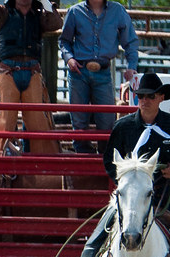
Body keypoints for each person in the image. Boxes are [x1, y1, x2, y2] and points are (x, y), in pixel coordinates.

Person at [64, 72, 170, 257]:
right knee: (92, 246)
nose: (144, 101)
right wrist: (126, 183)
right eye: (141, 96)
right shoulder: (123, 128)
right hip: (128, 200)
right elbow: (109, 161)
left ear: (161, 98)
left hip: (167, 197)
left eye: (150, 96)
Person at [0, 0, 63, 155]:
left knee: (38, 122)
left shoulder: (39, 15)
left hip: (31, 71)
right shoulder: (3, 12)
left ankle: (44, 161)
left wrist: (46, 3)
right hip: (9, 71)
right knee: (3, 121)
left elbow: (56, 23)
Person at [59, 0, 138, 154]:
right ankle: (83, 159)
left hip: (102, 71)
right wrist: (69, 59)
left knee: (107, 121)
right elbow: (64, 41)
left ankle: (104, 159)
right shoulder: (74, 12)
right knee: (79, 122)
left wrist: (132, 66)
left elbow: (130, 41)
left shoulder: (117, 11)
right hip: (79, 71)